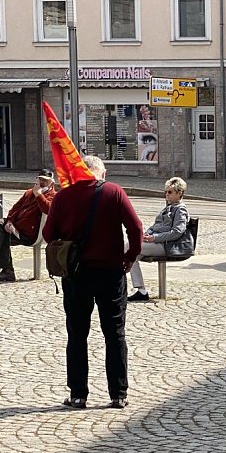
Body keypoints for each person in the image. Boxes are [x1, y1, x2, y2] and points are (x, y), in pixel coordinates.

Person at [43, 156, 143, 410]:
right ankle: (118, 394)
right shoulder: (114, 192)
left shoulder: (64, 196)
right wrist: (130, 257)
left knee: (77, 334)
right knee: (115, 333)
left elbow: (48, 234)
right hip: (111, 271)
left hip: (76, 273)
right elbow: (135, 228)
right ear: (101, 172)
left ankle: (78, 394)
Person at [0, 168, 57, 282]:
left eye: (45, 180)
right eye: (40, 179)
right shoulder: (29, 193)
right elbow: (15, 209)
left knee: (1, 234)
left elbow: (48, 209)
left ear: (51, 182)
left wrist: (38, 195)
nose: (41, 182)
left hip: (31, 234)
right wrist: (9, 222)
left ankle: (6, 270)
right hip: (17, 229)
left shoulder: (52, 196)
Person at [128, 177, 190, 302]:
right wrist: (146, 235)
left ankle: (119, 282)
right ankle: (141, 290)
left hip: (168, 246)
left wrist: (154, 238)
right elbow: (156, 225)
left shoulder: (180, 209)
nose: (167, 194)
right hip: (158, 242)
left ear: (180, 193)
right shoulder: (168, 207)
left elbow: (177, 232)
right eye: (166, 192)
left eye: (170, 192)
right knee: (131, 253)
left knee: (129, 247)